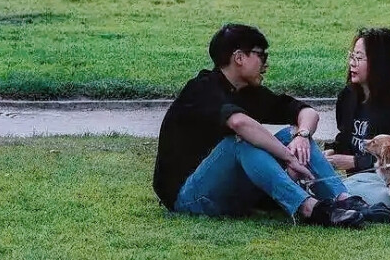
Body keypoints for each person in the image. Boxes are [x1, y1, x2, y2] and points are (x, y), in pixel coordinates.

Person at [153, 23, 365, 229]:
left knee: (293, 135)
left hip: (231, 193)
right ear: (239, 58)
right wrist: (288, 157)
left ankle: (343, 200)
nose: (266, 64)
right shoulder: (201, 89)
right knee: (239, 142)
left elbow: (307, 112)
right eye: (261, 55)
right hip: (189, 197)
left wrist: (301, 135)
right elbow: (239, 122)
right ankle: (309, 208)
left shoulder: (248, 92)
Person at [325, 28, 390, 213]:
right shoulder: (347, 97)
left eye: (359, 58)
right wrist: (330, 154)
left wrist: (353, 162)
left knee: (382, 194)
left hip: (385, 181)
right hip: (357, 181)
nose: (352, 63)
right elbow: (345, 139)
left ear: (380, 64)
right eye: (352, 56)